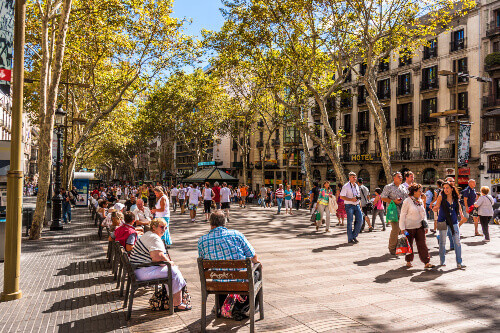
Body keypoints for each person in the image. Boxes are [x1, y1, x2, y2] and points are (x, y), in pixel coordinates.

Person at [198, 210, 260, 314]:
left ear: (210, 223)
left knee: (220, 274)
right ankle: (246, 307)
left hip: (216, 283)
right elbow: (252, 255)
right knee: (256, 272)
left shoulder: (202, 241)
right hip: (240, 282)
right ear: (224, 222)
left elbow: (204, 261)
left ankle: (219, 305)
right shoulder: (236, 235)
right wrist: (258, 263)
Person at [129, 218, 190, 311]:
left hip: (137, 270)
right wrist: (170, 263)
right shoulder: (154, 238)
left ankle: (173, 300)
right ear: (154, 227)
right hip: (141, 271)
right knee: (174, 271)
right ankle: (177, 304)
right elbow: (158, 258)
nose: (164, 229)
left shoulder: (149, 235)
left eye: (166, 227)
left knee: (172, 270)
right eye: (162, 227)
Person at [433, 181, 467, 268]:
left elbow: (458, 205)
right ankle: (442, 261)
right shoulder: (441, 197)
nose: (445, 190)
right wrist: (435, 208)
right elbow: (436, 206)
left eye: (447, 188)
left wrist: (461, 214)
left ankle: (459, 262)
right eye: (444, 188)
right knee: (442, 242)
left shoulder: (455, 197)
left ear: (451, 188)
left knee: (457, 242)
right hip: (442, 221)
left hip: (453, 221)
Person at [399, 184, 434, 268]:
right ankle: (408, 261)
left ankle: (426, 262)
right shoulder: (407, 201)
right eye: (419, 191)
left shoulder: (420, 200)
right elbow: (403, 214)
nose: (421, 192)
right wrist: (402, 228)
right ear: (414, 192)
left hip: (419, 226)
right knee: (409, 244)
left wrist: (425, 226)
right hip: (409, 227)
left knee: (422, 244)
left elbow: (423, 214)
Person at [381, 172, 409, 255]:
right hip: (393, 211)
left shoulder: (403, 187)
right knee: (396, 229)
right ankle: (392, 248)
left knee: (403, 229)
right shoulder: (388, 187)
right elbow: (383, 197)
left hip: (403, 211)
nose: (400, 178)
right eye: (398, 177)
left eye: (401, 177)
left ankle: (401, 246)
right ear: (394, 178)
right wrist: (393, 201)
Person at [340, 172, 364, 243]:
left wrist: (360, 205)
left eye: (355, 177)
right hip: (349, 205)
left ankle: (354, 236)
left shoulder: (356, 185)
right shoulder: (346, 186)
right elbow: (341, 196)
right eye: (353, 177)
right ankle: (350, 238)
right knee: (350, 222)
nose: (355, 178)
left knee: (360, 220)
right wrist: (351, 199)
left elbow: (358, 196)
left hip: (357, 205)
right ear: (349, 178)